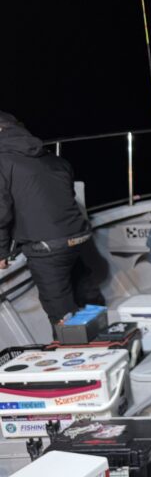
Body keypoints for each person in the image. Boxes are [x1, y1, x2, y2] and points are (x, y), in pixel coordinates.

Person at [0, 111, 106, 329]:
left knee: (61, 313)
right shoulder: (51, 157)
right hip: (78, 235)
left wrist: (1, 252)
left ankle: (74, 347)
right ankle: (105, 331)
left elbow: (2, 212)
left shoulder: (3, 160)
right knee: (85, 290)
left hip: (48, 247)